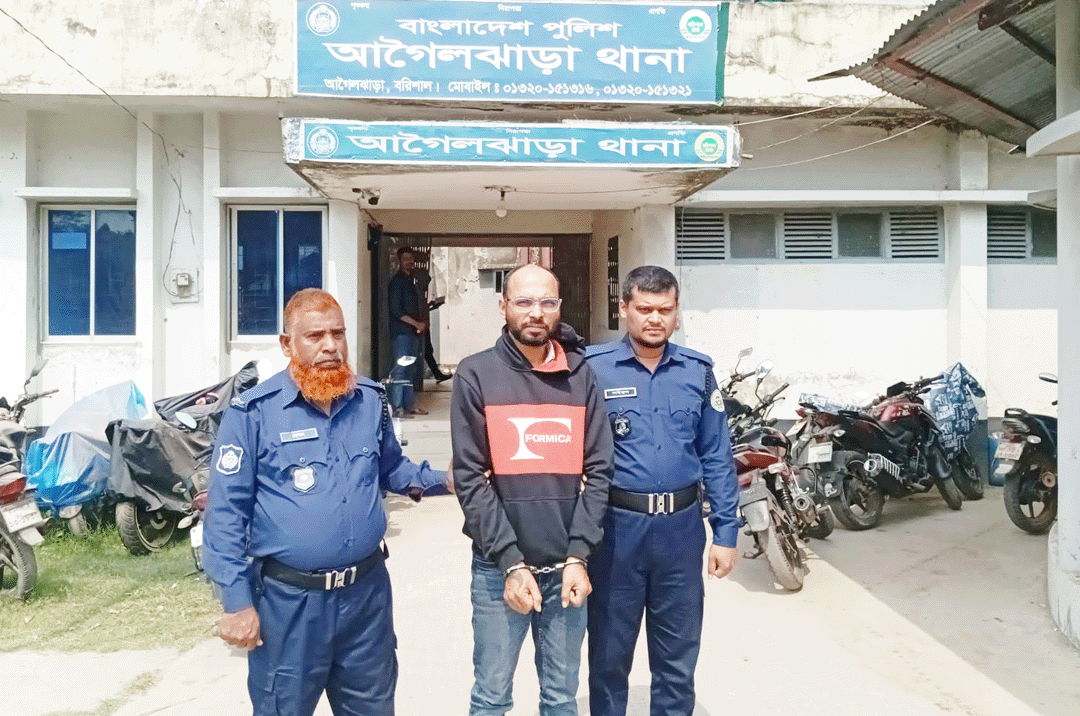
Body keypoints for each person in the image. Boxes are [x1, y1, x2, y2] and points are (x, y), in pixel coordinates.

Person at [202, 288, 451, 716]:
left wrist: (445, 479)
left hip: (366, 600)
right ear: (288, 344)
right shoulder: (253, 414)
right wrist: (237, 602)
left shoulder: (369, 400)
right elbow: (225, 514)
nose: (331, 346)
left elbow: (392, 469)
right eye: (315, 336)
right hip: (290, 606)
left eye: (338, 333)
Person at [451, 263, 613, 716]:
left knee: (560, 700)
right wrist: (510, 563)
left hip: (566, 571)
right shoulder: (476, 375)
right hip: (497, 570)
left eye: (547, 302)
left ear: (559, 308)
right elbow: (470, 478)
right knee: (490, 698)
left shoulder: (580, 376)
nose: (536, 312)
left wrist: (579, 555)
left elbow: (600, 471)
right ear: (503, 306)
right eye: (524, 302)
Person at [584, 265, 739, 716]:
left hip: (680, 530)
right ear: (624, 309)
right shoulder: (593, 370)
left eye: (665, 310)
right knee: (609, 654)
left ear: (676, 313)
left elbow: (717, 456)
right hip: (617, 531)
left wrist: (726, 532)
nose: (655, 319)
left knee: (677, 655)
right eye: (645, 309)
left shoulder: (698, 372)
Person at [387, 246, 428, 416]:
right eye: (405, 259)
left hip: (412, 333)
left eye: (411, 258)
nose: (409, 261)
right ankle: (397, 407)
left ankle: (408, 406)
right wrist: (416, 324)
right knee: (400, 370)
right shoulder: (397, 282)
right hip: (402, 333)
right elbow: (396, 311)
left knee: (410, 369)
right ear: (399, 261)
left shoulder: (412, 281)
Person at [411, 252, 453, 383]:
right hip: (418, 324)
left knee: (427, 350)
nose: (427, 284)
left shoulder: (419, 290)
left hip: (422, 323)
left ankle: (436, 374)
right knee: (424, 350)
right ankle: (430, 375)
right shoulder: (416, 288)